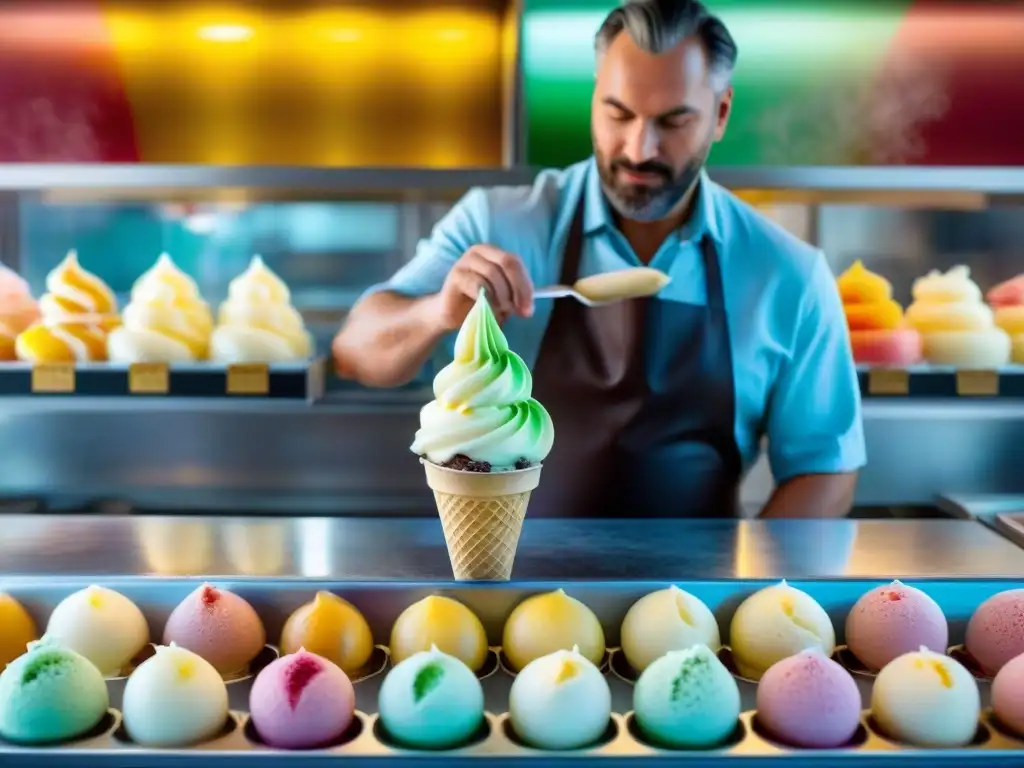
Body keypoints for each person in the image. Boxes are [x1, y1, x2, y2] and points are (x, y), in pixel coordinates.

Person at [333, 0, 864, 518]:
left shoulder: (788, 274)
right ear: (594, 100)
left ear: (720, 113)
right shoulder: (496, 223)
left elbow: (825, 467)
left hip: (693, 605)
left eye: (673, 121)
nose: (639, 149)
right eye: (619, 114)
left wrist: (751, 594)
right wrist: (437, 313)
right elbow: (355, 352)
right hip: (512, 593)